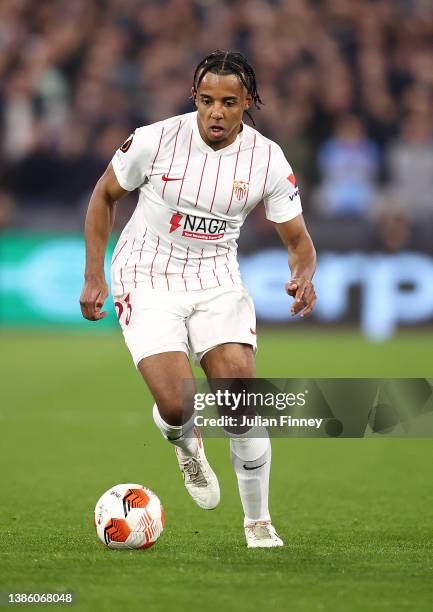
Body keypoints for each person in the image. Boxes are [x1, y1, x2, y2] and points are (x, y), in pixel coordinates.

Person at [80, 50, 317, 548]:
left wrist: (303, 276)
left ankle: (258, 522)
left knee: (240, 403)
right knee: (175, 402)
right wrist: (94, 275)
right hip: (146, 274)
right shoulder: (153, 140)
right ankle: (185, 443)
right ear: (195, 97)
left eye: (229, 102)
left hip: (215, 277)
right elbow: (103, 197)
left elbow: (298, 241)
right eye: (207, 100)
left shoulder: (267, 158)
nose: (216, 112)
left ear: (248, 102)